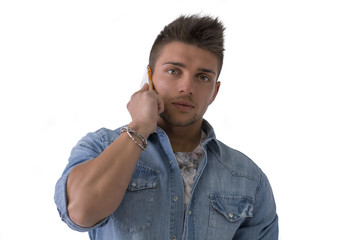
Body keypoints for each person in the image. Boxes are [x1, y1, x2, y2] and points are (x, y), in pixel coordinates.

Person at [54, 14, 278, 240]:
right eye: (174, 71)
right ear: (148, 78)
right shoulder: (102, 147)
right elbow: (81, 214)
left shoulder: (248, 178)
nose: (187, 87)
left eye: (202, 77)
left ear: (215, 92)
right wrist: (139, 127)